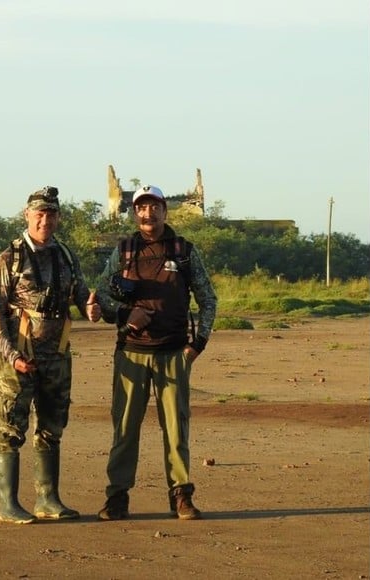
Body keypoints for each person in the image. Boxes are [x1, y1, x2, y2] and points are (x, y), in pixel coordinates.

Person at [95, 184, 218, 521]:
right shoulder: (123, 252)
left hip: (174, 352)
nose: (147, 214)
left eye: (154, 207)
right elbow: (101, 295)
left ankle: (181, 495)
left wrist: (198, 345)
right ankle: (117, 497)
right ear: (134, 213)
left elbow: (208, 299)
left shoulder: (184, 251)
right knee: (125, 428)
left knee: (177, 429)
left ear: (165, 210)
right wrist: (123, 314)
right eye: (141, 208)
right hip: (131, 354)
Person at [0, 185, 102, 524]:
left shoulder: (65, 255)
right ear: (27, 215)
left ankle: (47, 500)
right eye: (39, 214)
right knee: (11, 428)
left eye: (51, 214)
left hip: (57, 356)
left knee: (52, 427)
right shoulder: (10, 257)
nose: (45, 220)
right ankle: (6, 504)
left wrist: (91, 308)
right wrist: (11, 356)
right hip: (20, 356)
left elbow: (81, 295)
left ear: (58, 217)